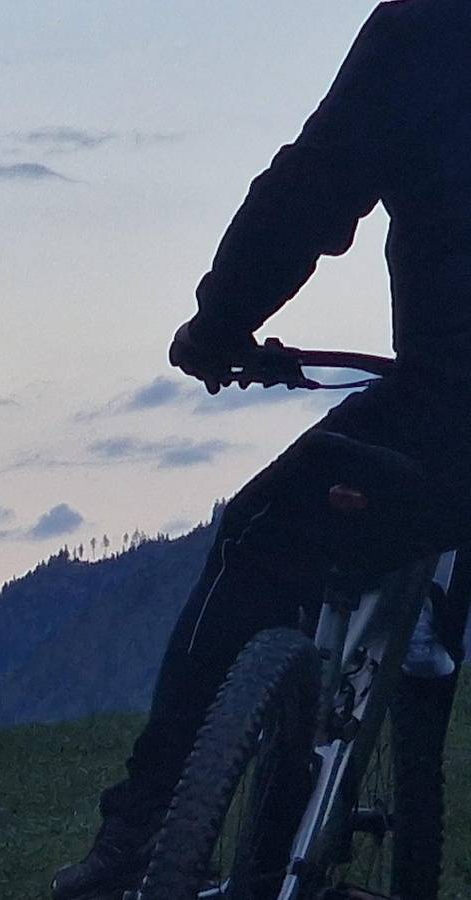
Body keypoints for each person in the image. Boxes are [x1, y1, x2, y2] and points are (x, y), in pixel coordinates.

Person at [53, 2, 471, 897]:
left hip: (449, 405)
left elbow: (310, 189)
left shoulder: (426, 31)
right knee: (431, 624)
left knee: (257, 535)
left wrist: (220, 323)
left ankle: (140, 840)